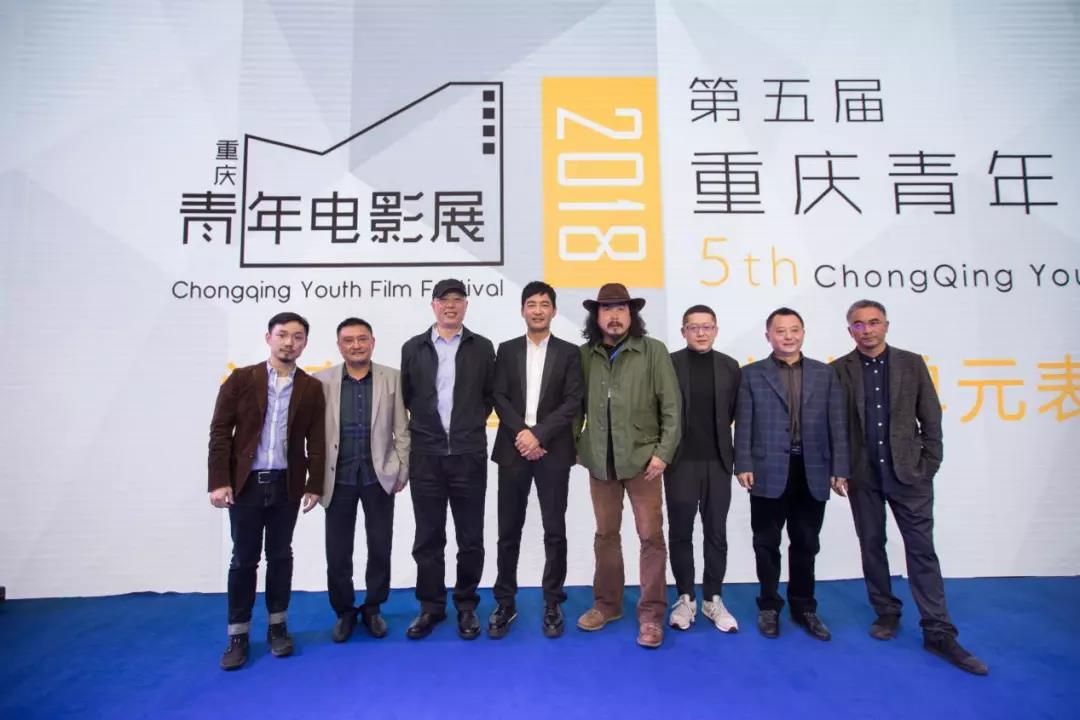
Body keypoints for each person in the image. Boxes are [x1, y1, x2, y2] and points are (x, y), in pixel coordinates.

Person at [832, 299, 988, 675]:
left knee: (921, 552)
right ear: (849, 330)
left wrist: (928, 465)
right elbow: (836, 425)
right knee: (872, 546)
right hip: (863, 476)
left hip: (909, 475)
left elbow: (930, 417)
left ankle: (938, 630)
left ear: (886, 325)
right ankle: (886, 611)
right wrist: (839, 469)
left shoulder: (911, 363)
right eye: (858, 324)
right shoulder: (839, 369)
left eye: (873, 322)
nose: (867, 330)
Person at [207, 312, 325, 670]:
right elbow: (220, 432)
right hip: (245, 486)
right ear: (268, 338)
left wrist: (314, 484)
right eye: (283, 335)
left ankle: (278, 627)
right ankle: (238, 635)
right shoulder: (242, 379)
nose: (290, 342)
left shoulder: (311, 387)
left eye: (298, 337)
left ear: (305, 343)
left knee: (280, 556)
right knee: (244, 559)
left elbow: (317, 440)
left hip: (286, 486)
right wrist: (219, 480)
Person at [575, 283, 681, 649]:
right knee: (606, 535)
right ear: (596, 316)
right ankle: (607, 605)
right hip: (600, 462)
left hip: (643, 461)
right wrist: (577, 446)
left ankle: (651, 615)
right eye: (607, 309)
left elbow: (672, 406)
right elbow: (574, 407)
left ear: (631, 314)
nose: (615, 316)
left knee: (651, 537)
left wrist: (662, 453)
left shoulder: (653, 351)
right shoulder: (584, 355)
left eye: (621, 309)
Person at [734, 307, 848, 641]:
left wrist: (840, 468)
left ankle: (804, 607)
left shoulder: (825, 374)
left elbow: (837, 424)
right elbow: (744, 422)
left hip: (812, 469)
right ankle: (769, 606)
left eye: (794, 329)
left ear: (803, 333)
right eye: (780, 331)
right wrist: (743, 463)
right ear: (768, 336)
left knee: (806, 542)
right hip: (766, 470)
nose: (788, 336)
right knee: (766, 543)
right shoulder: (751, 374)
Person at [400, 279, 495, 640]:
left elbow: (488, 397)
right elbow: (407, 396)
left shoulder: (482, 347)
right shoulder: (413, 347)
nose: (450, 305)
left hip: (468, 455)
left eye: (457, 299)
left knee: (470, 537)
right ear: (434, 305)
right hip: (426, 456)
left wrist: (466, 427)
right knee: (428, 537)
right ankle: (431, 606)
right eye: (444, 300)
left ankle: (466, 605)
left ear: (466, 306)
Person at [488, 281, 583, 639]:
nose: (538, 310)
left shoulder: (569, 353)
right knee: (507, 530)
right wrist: (523, 434)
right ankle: (505, 602)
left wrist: (539, 435)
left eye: (545, 304)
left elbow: (572, 401)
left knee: (554, 530)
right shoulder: (507, 349)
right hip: (513, 449)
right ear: (522, 310)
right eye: (532, 304)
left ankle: (553, 601)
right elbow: (498, 396)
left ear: (554, 311)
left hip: (552, 450)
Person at [315, 318, 410, 643]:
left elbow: (402, 430)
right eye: (348, 340)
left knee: (380, 546)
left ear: (372, 342)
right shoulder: (322, 381)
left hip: (378, 476)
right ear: (339, 345)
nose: (356, 345)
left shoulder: (392, 378)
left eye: (362, 339)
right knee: (337, 551)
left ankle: (373, 607)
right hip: (337, 478)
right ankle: (344, 610)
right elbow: (313, 435)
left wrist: (402, 469)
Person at [666, 305, 741, 633]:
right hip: (680, 461)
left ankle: (713, 598)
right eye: (693, 327)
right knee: (680, 532)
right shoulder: (670, 364)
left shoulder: (730, 366)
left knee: (716, 533)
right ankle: (685, 598)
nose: (700, 332)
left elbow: (735, 412)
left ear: (715, 330)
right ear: (683, 331)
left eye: (707, 326)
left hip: (718, 462)